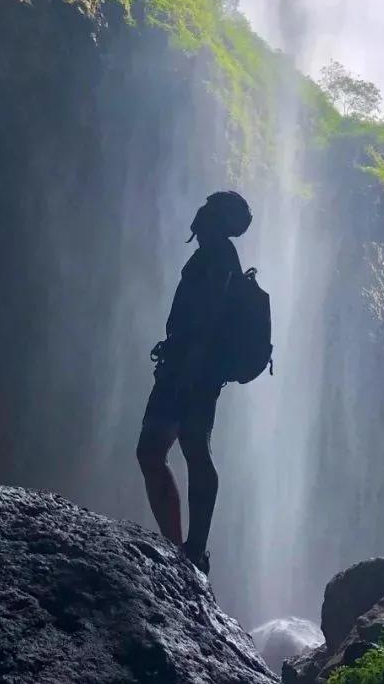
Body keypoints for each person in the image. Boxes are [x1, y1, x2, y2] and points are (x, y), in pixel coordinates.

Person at [135, 190, 253, 575]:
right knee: (158, 449)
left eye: (207, 208)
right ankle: (180, 547)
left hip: (194, 368)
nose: (198, 213)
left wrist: (192, 364)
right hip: (184, 364)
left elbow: (212, 315)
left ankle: (193, 550)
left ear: (216, 217)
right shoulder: (212, 253)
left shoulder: (219, 255)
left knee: (189, 446)